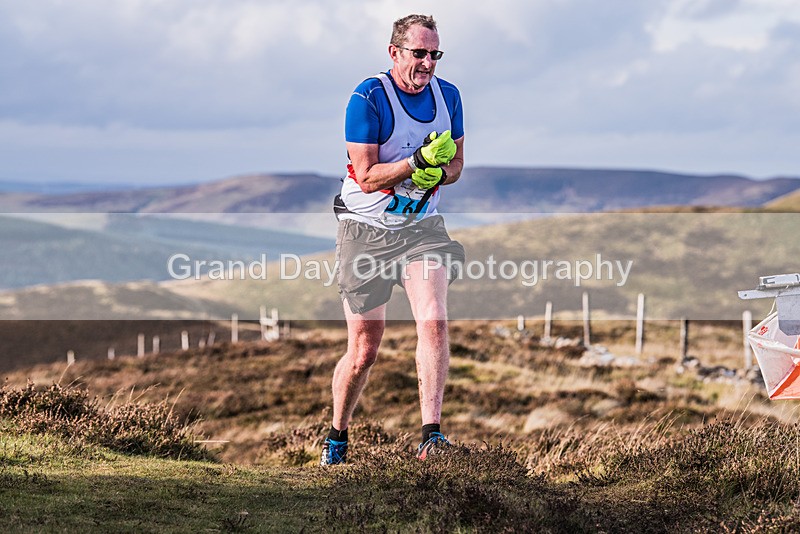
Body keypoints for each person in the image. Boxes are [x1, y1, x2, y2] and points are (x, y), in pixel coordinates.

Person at [321, 14, 465, 465]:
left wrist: (436, 171)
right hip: (365, 232)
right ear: (394, 52)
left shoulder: (449, 97)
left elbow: (458, 166)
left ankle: (431, 436)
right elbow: (364, 176)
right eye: (419, 53)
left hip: (421, 229)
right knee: (365, 349)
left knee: (434, 319)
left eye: (434, 54)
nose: (427, 63)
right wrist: (415, 161)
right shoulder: (368, 98)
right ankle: (337, 437)